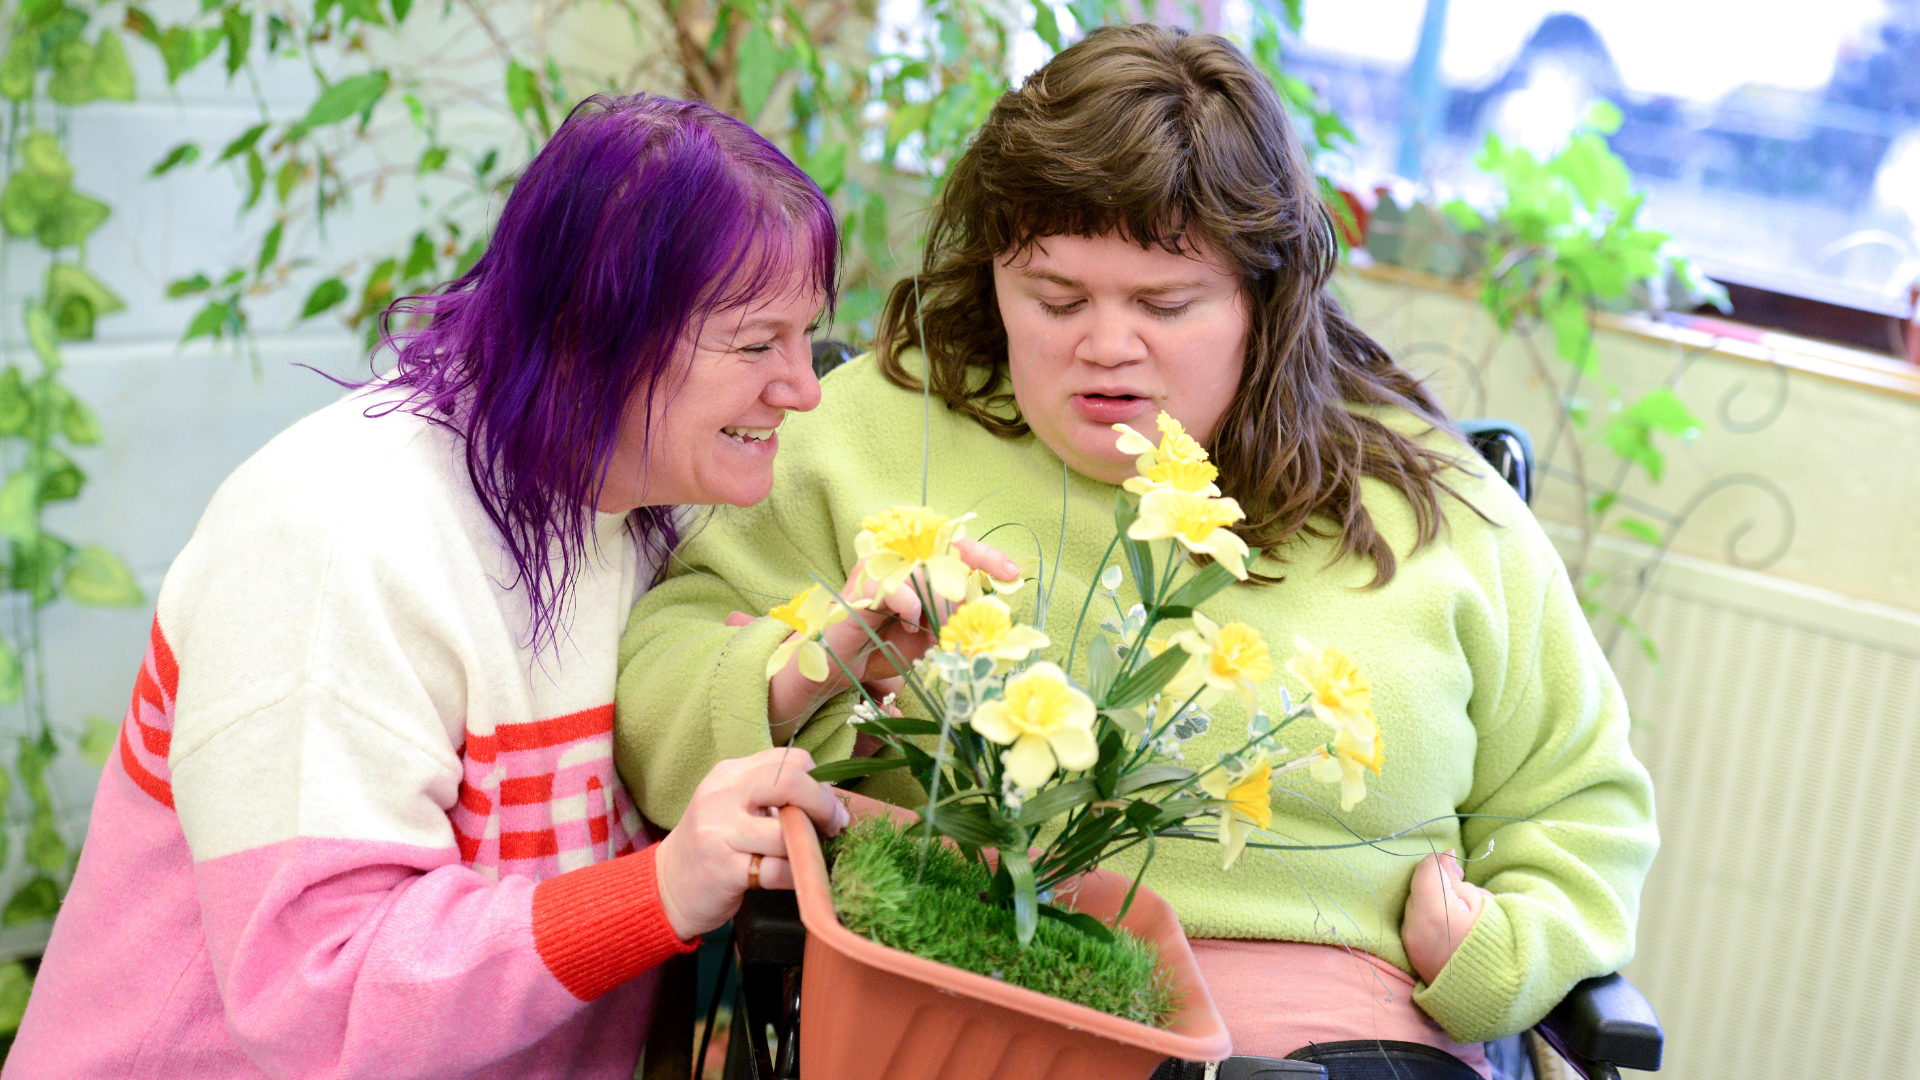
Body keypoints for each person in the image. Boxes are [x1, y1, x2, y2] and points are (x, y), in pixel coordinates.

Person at [612, 26, 1657, 1080]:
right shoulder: (870, 428)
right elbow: (656, 690)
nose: (1106, 345)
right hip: (957, 1006)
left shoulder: (1431, 503)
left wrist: (1496, 957)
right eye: (1056, 298)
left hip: (1331, 1039)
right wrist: (802, 668)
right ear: (994, 277)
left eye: (1165, 304)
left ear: (1267, 298)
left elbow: (1582, 805)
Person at [6, 95, 849, 1080]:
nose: (804, 389)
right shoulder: (338, 539)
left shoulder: (648, 505)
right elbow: (316, 996)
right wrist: (662, 888)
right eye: (757, 344)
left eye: (806, 337)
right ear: (590, 330)